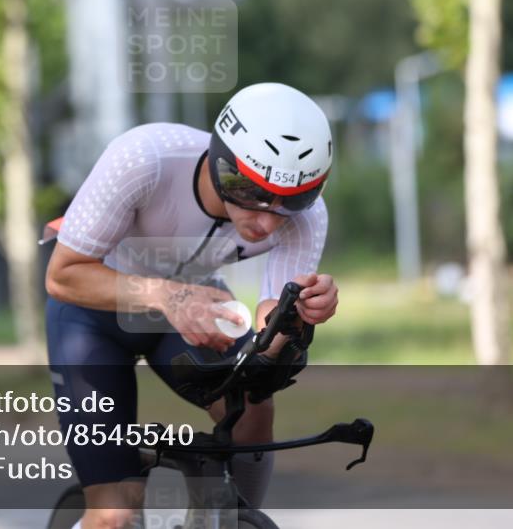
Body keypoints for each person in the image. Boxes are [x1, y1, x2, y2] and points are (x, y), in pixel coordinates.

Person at [45, 82, 340, 529]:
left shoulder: (306, 219)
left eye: (292, 202)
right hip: (92, 312)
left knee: (255, 403)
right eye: (254, 194)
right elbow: (62, 275)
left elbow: (267, 328)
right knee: (114, 513)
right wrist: (167, 295)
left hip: (192, 304)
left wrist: (297, 320)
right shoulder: (144, 159)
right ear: (224, 165)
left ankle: (232, 518)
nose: (267, 221)